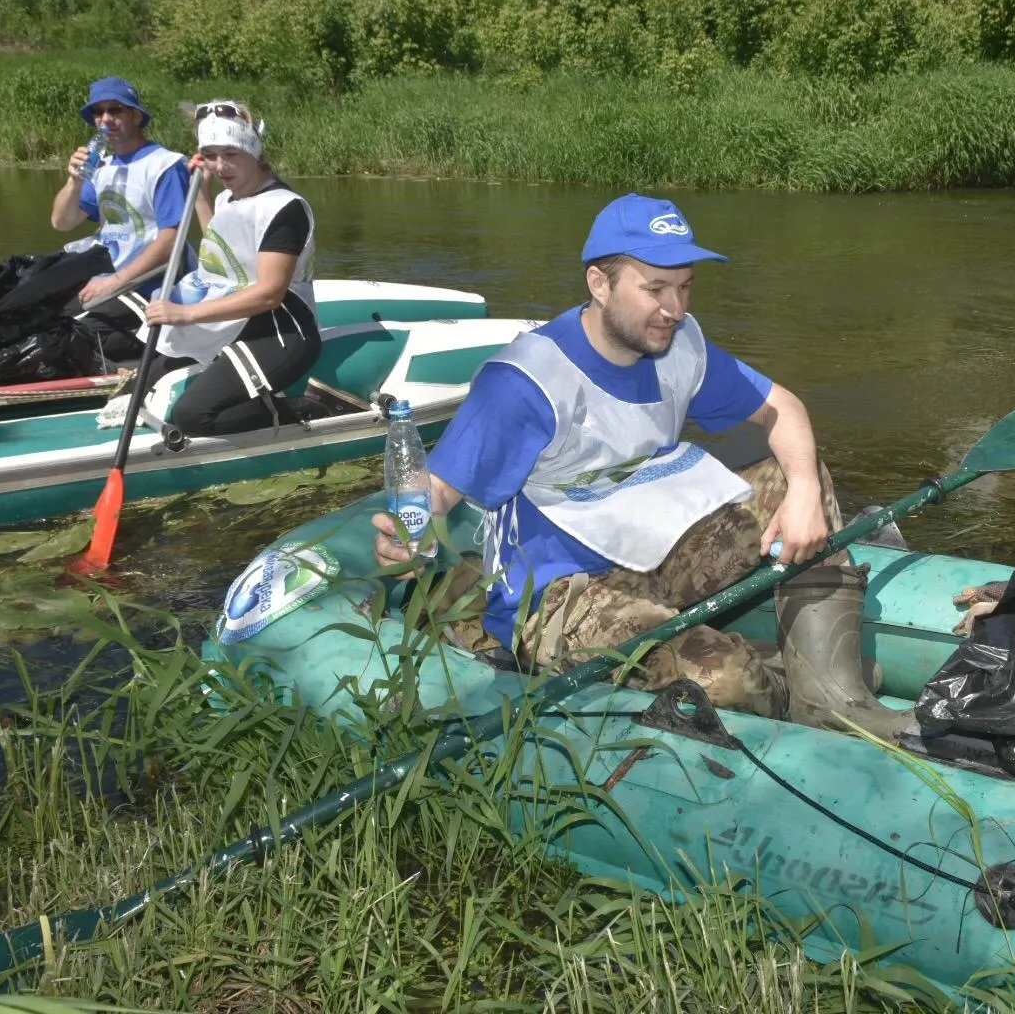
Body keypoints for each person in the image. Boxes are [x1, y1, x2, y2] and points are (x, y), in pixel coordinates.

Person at [370, 193, 915, 740]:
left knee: (803, 478)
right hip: (561, 591)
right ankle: (784, 679)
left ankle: (830, 699)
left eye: (684, 287)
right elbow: (437, 488)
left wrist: (802, 490)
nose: (674, 309)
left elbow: (784, 408)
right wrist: (406, 534)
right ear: (599, 284)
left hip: (653, 552)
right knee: (728, 681)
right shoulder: (526, 380)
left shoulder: (679, 346)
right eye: (654, 289)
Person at [139, 100, 320, 437]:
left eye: (231, 154)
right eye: (209, 154)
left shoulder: (284, 209)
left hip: (282, 329)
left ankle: (304, 408)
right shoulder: (228, 196)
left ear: (254, 151)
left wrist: (184, 314)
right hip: (239, 319)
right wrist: (201, 194)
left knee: (192, 415)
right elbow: (222, 249)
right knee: (147, 376)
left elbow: (269, 293)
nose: (220, 166)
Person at [49, 76, 192, 362]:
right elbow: (61, 223)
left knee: (72, 337)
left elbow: (171, 239)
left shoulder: (165, 164)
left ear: (136, 116)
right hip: (103, 278)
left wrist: (114, 281)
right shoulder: (101, 168)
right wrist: (74, 182)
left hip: (145, 286)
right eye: (98, 113)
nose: (106, 120)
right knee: (37, 312)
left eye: (115, 110)